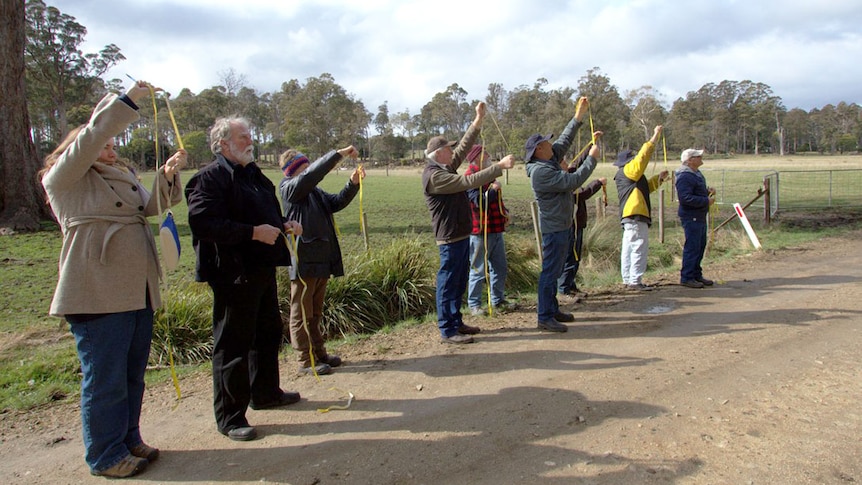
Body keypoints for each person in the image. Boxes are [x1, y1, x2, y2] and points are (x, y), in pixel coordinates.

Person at [39, 81, 186, 478]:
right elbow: (93, 135)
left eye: (112, 146)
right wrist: (129, 100)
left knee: (130, 374)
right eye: (105, 145)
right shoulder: (64, 179)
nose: (112, 149)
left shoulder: (123, 176)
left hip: (138, 287)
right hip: (96, 291)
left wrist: (167, 175)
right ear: (82, 147)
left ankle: (128, 439)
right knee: (104, 379)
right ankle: (105, 455)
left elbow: (150, 208)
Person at [185, 116, 303, 442]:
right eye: (243, 136)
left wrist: (284, 224)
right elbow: (204, 223)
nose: (250, 140)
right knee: (233, 343)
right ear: (223, 145)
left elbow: (264, 214)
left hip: (262, 268)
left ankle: (265, 393)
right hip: (231, 272)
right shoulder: (208, 179)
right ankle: (230, 416)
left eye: (249, 135)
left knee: (267, 332)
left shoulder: (254, 176)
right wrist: (252, 233)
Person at [422, 101, 516, 344]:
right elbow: (467, 183)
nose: (453, 152)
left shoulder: (443, 166)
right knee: (448, 282)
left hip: (461, 234)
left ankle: (456, 322)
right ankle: (447, 329)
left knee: (459, 280)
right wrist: (498, 167)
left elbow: (464, 148)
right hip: (450, 236)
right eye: (448, 149)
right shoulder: (435, 176)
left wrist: (477, 120)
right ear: (438, 153)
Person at [278, 146, 364, 375]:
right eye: (304, 168)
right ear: (293, 171)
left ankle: (320, 353)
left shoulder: (314, 192)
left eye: (309, 166)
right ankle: (305, 361)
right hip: (304, 261)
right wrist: (338, 154)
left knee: (315, 313)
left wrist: (352, 184)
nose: (309, 172)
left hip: (321, 260)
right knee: (301, 314)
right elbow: (312, 176)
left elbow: (336, 202)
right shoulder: (289, 189)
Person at [525, 97, 602, 333]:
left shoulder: (547, 160)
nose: (552, 144)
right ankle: (544, 316)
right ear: (539, 149)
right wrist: (592, 159)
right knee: (550, 272)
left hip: (562, 226)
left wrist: (578, 117)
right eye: (547, 143)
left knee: (556, 270)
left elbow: (564, 141)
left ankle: (552, 309)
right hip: (555, 229)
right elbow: (573, 181)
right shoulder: (541, 172)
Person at [463, 144, 518, 316]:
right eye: (485, 154)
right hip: (480, 232)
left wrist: (504, 213)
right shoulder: (470, 177)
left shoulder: (488, 175)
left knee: (499, 267)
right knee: (478, 269)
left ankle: (498, 300)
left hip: (495, 229)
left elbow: (494, 203)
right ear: (476, 158)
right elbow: (480, 203)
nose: (488, 156)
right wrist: (494, 190)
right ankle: (474, 305)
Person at [613, 125, 668, 291]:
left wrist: (659, 179)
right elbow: (643, 157)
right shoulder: (629, 171)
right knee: (639, 247)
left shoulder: (631, 175)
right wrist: (654, 137)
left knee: (629, 248)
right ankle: (635, 281)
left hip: (630, 216)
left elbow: (645, 189)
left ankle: (628, 279)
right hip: (635, 216)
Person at [558, 146, 607, 298]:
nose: (567, 163)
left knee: (576, 255)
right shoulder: (561, 181)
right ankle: (564, 289)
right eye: (563, 162)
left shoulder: (571, 173)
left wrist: (592, 144)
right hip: (571, 224)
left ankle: (571, 285)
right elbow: (581, 195)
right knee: (569, 256)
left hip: (578, 223)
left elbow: (578, 162)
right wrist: (597, 183)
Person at [676, 148, 716, 288]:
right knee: (692, 246)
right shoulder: (684, 176)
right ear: (690, 160)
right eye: (698, 156)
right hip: (691, 215)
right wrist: (705, 201)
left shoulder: (695, 174)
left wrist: (706, 192)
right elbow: (685, 197)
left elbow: (693, 192)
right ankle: (687, 277)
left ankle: (696, 274)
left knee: (700, 245)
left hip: (699, 215)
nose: (701, 157)